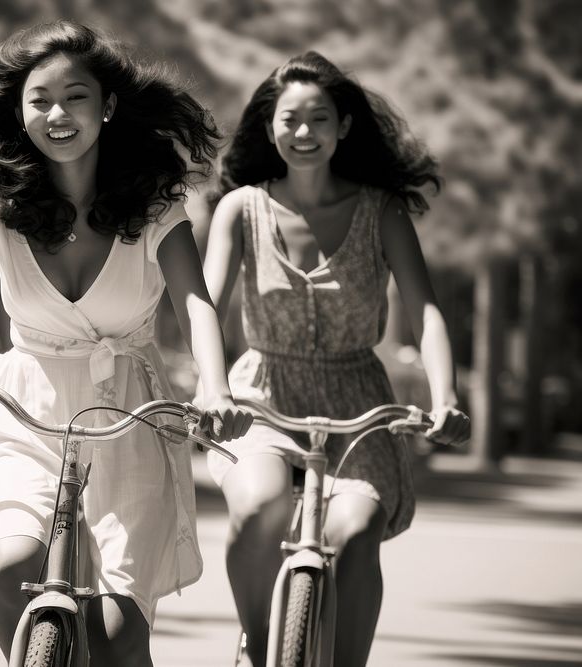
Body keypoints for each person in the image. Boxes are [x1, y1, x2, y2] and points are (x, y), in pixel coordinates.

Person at [0, 20, 253, 666]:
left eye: (76, 97)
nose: (57, 114)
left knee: (116, 634)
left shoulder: (158, 201)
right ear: (18, 112)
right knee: (9, 570)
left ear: (106, 106)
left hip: (126, 413)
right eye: (39, 99)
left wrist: (214, 383)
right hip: (27, 407)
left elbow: (195, 302)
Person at [202, 51, 471, 667]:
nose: (304, 133)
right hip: (261, 397)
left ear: (343, 126)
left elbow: (426, 310)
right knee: (256, 506)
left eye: (319, 119)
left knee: (353, 533)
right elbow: (207, 310)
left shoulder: (383, 211)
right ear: (269, 125)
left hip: (359, 398)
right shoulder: (240, 209)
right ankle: (261, 643)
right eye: (290, 119)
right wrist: (211, 390)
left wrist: (445, 398)